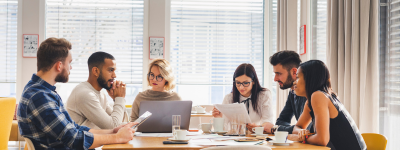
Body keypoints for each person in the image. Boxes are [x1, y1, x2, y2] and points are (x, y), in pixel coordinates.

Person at [17, 37, 137, 150]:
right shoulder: (39, 96)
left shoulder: (44, 92)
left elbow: (74, 128)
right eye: (69, 63)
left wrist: (113, 131)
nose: (71, 68)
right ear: (59, 66)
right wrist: (117, 137)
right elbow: (73, 138)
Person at [288, 60, 366, 150]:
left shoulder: (318, 95)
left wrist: (300, 138)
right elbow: (298, 127)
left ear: (309, 78)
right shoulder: (316, 99)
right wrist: (301, 132)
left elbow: (322, 140)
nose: (294, 82)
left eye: (297, 77)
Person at [67, 52, 129, 129]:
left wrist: (116, 99)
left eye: (114, 71)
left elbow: (122, 123)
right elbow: (113, 126)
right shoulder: (85, 94)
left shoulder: (101, 94)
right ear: (96, 71)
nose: (114, 75)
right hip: (81, 140)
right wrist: (120, 98)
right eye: (110, 70)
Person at [212, 63, 274, 133]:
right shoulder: (229, 98)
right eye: (238, 83)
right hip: (235, 139)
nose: (241, 87)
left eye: (246, 83)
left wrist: (258, 128)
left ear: (253, 81)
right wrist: (218, 117)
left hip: (256, 137)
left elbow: (268, 121)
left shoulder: (264, 95)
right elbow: (223, 129)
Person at [268, 50, 312, 134]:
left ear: (294, 72)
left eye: (279, 74)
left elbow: (308, 130)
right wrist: (292, 129)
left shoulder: (309, 93)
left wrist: (275, 129)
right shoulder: (293, 92)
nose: (275, 79)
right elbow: (281, 121)